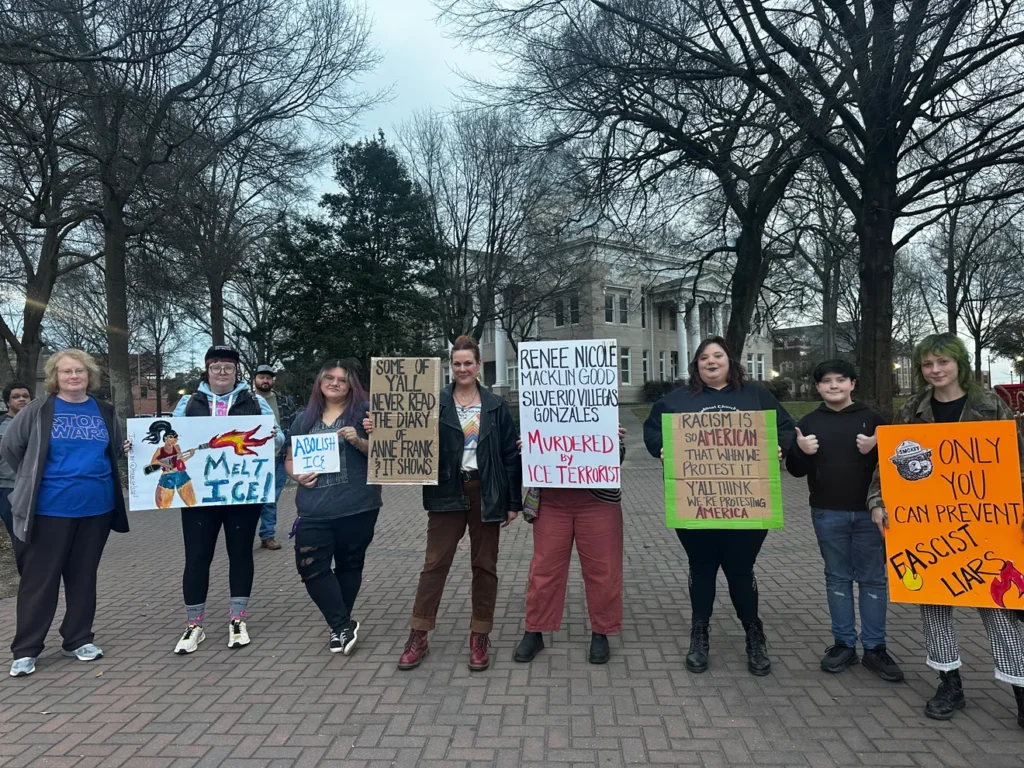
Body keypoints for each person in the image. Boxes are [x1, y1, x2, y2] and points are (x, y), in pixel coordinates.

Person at [867, 333, 1024, 727]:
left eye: (943, 362)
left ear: (959, 364)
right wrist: (877, 502)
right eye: (927, 364)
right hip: (928, 533)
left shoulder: (991, 407)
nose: (935, 371)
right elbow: (887, 466)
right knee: (934, 607)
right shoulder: (912, 410)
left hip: (987, 530)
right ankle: (949, 682)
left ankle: (1021, 689)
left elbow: (1017, 464)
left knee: (999, 610)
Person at [367, 336, 522, 672]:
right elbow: (403, 431)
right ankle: (418, 634)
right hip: (446, 492)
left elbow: (510, 455)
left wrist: (512, 501)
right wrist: (379, 428)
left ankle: (479, 635)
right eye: (457, 363)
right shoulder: (431, 403)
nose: (463, 368)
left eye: (468, 362)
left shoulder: (496, 406)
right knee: (434, 565)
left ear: (478, 366)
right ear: (450, 366)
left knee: (485, 568)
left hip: (487, 493)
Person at [643, 336, 795, 676]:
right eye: (704, 358)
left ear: (730, 360)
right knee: (702, 567)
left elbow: (784, 427)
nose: (711, 362)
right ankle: (700, 634)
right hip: (695, 504)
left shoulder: (755, 395)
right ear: (696, 364)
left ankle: (754, 634)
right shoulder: (677, 400)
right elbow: (653, 431)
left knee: (741, 569)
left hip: (748, 503)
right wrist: (662, 449)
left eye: (718, 356)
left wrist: (779, 448)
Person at [2, 350, 129, 677]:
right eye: (66, 372)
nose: (74, 377)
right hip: (49, 510)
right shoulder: (38, 410)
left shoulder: (104, 410)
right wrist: (32, 478)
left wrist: (127, 448)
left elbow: (114, 446)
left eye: (80, 371)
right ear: (54, 377)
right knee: (39, 581)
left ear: (90, 375)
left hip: (96, 509)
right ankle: (26, 649)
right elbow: (12, 449)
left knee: (83, 577)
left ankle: (78, 639)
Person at [162, 345, 284, 655]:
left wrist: (274, 437)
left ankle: (237, 618)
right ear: (207, 370)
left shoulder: (255, 402)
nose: (222, 372)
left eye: (228, 367)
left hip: (242, 494)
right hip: (200, 496)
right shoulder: (188, 403)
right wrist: (136, 447)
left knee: (240, 554)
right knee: (197, 556)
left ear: (236, 371)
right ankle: (194, 624)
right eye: (215, 366)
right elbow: (171, 440)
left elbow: (278, 438)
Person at [786, 359, 903, 681]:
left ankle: (875, 648)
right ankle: (844, 644)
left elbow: (898, 465)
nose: (834, 386)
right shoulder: (809, 422)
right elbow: (796, 470)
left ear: (853, 384)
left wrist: (880, 445)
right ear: (818, 387)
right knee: (837, 578)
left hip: (870, 513)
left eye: (841, 380)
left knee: (873, 579)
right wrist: (801, 451)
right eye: (826, 381)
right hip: (827, 511)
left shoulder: (873, 420)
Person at [287, 360, 381, 656]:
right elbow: (289, 458)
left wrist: (361, 442)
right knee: (310, 567)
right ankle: (342, 623)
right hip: (313, 509)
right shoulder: (304, 419)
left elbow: (388, 454)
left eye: (343, 379)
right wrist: (296, 475)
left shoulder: (367, 413)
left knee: (350, 564)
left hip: (357, 505)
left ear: (352, 385)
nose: (335, 383)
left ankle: (339, 628)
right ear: (320, 382)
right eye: (329, 377)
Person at [514, 426, 627, 665]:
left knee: (604, 571)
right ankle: (534, 630)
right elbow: (524, 455)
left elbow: (617, 459)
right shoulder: (541, 405)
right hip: (551, 500)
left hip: (599, 501)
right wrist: (527, 449)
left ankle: (602, 632)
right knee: (544, 569)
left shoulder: (598, 402)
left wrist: (612, 440)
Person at [253, 364, 296, 550]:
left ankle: (267, 534)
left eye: (268, 377)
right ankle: (245, 533)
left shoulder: (284, 401)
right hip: (253, 458)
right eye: (262, 377)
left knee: (271, 497)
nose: (265, 380)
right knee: (253, 498)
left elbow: (293, 427)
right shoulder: (246, 401)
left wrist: (290, 451)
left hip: (279, 457)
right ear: (255, 379)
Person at [0, 380, 33, 549]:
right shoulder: (1, 425)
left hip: (36, 488)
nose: (22, 399)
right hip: (8, 488)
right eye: (16, 397)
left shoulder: (38, 425)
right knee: (18, 538)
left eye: (26, 396)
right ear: (7, 402)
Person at [142, 420, 199, 509]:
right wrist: (167, 465)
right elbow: (153, 462)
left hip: (181, 474)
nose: (174, 440)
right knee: (162, 506)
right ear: (165, 438)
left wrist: (191, 455)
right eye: (171, 437)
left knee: (191, 503)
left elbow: (181, 460)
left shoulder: (177, 447)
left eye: (175, 437)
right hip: (167, 476)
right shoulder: (160, 450)